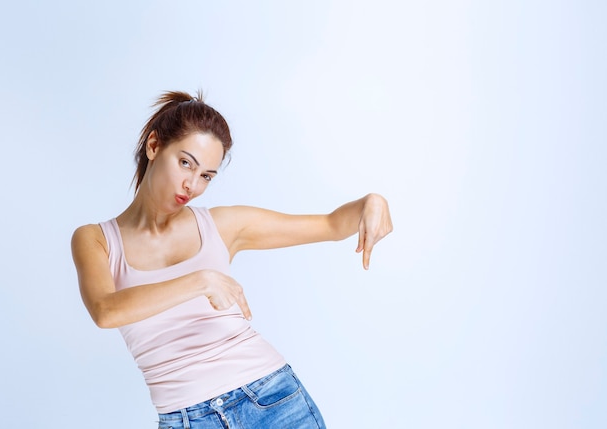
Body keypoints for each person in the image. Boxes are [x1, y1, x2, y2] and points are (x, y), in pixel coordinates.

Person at [71, 90, 393, 429]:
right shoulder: (96, 239)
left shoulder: (222, 226)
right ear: (154, 146)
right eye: (185, 163)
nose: (192, 185)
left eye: (207, 176)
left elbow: (330, 225)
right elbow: (106, 311)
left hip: (273, 400)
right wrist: (202, 281)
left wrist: (371, 202)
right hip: (186, 419)